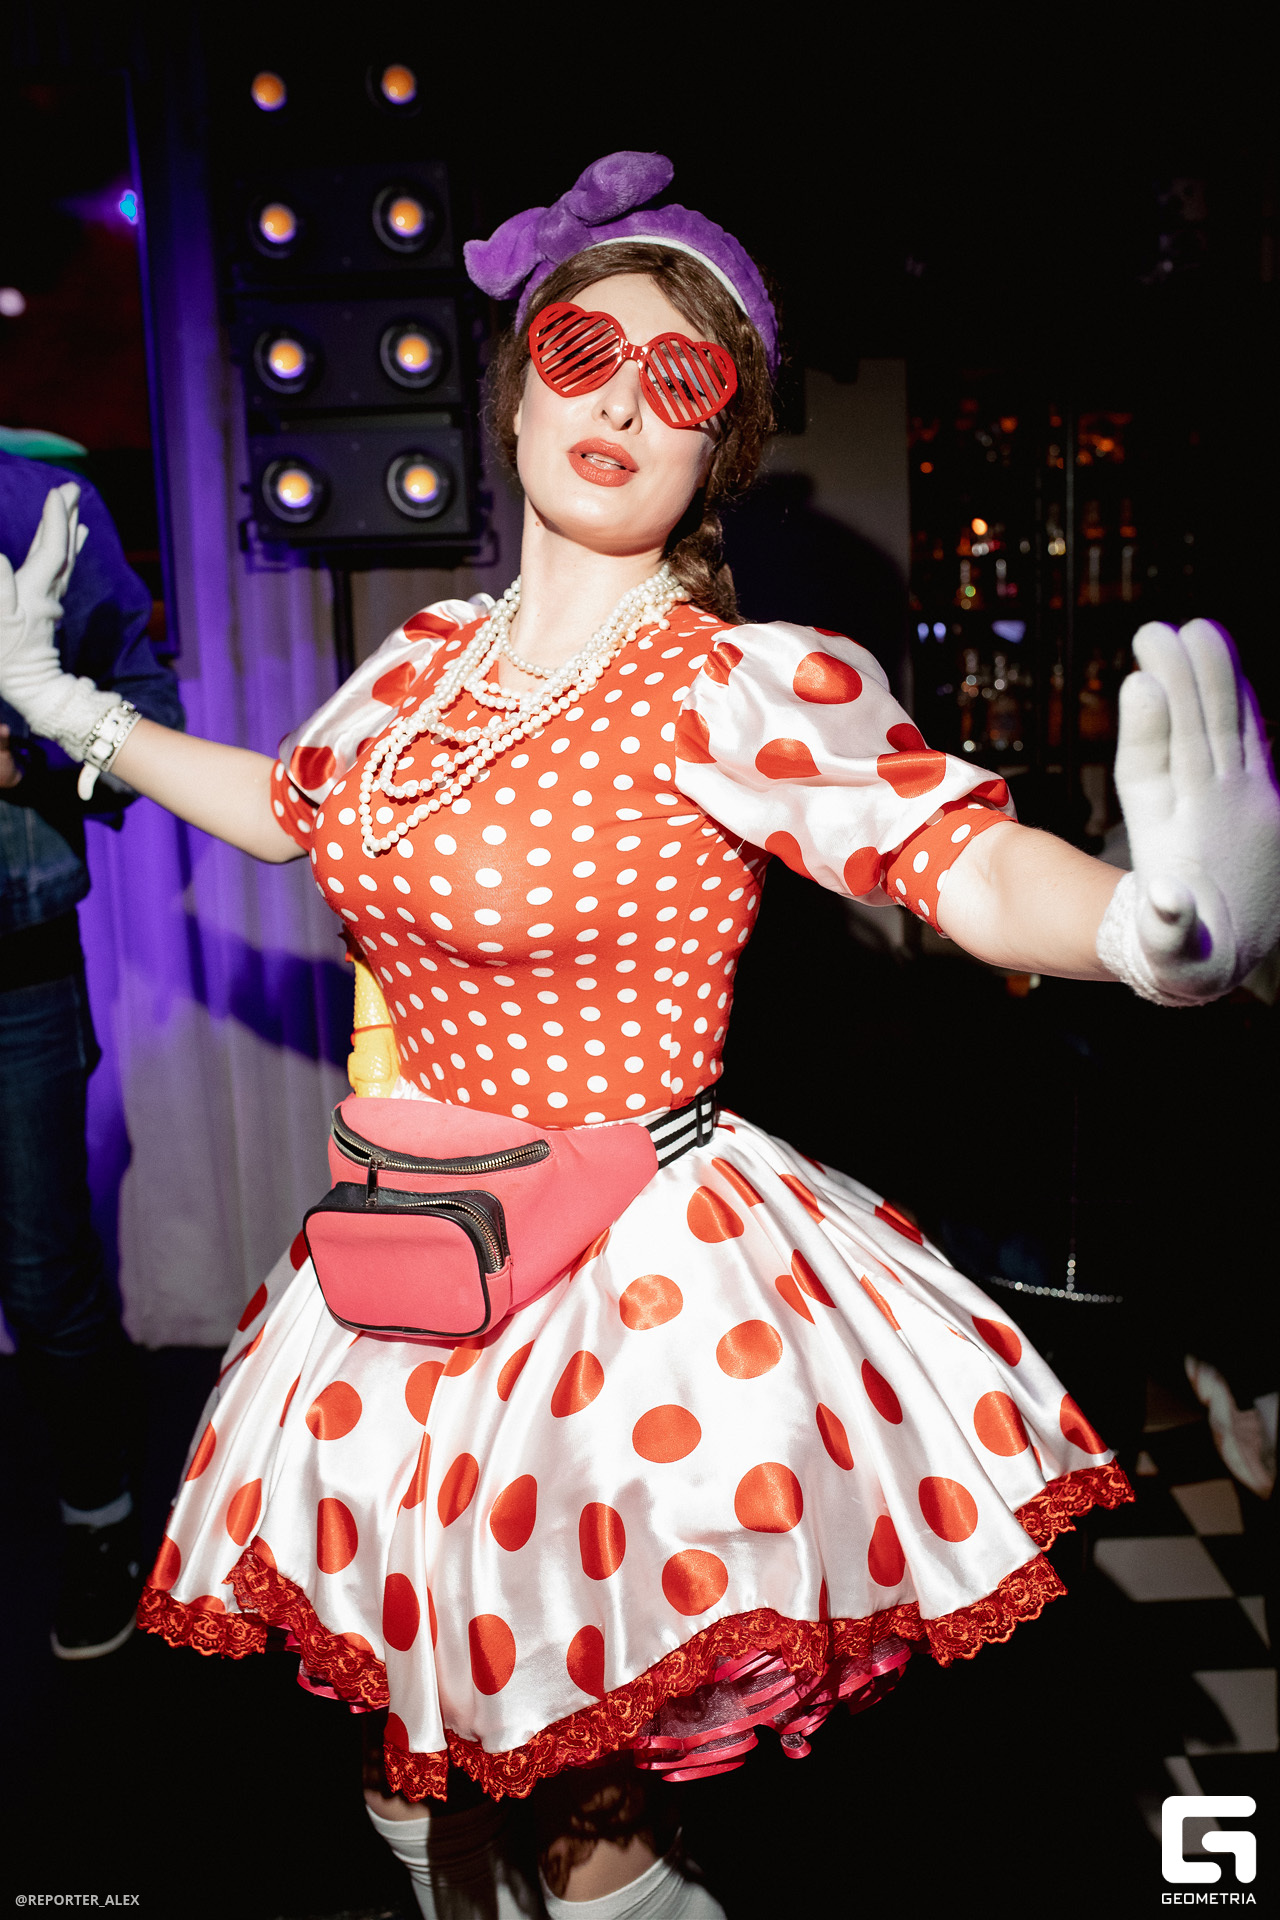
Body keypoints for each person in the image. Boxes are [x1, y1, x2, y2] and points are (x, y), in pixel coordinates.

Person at [2, 152, 1277, 1916]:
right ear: (518, 390)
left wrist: (1144, 932)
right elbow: (288, 805)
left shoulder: (732, 682)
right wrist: (68, 709)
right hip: (407, 1259)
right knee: (413, 1775)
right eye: (584, 351)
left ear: (717, 450)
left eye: (681, 382)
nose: (619, 402)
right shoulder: (424, 663)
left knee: (579, 1799)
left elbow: (955, 860)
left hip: (626, 1297)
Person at [0, 448, 184, 1660]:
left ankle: (99, 1519)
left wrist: (27, 753)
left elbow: (145, 708)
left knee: (42, 1275)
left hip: (12, 968)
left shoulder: (39, 506)